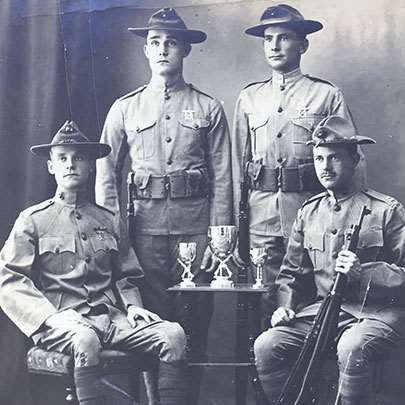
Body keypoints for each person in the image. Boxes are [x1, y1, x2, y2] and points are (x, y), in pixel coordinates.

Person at [95, 7, 233, 403]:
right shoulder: (126, 108)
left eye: (171, 42)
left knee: (194, 324)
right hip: (144, 234)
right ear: (145, 51)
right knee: (151, 323)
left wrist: (218, 238)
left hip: (196, 230)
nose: (162, 49)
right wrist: (114, 238)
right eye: (154, 43)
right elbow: (106, 176)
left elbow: (223, 176)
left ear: (185, 50)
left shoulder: (208, 108)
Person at [0, 120, 188, 405]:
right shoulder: (33, 220)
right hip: (63, 323)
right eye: (62, 158)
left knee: (173, 335)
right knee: (86, 340)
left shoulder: (108, 219)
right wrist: (49, 316)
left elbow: (125, 275)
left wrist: (133, 306)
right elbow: (9, 278)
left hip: (112, 319)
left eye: (79, 158)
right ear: (51, 167)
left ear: (90, 166)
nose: (70, 164)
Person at [253, 115, 405, 405]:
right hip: (323, 313)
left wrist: (365, 272)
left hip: (377, 313)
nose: (325, 167)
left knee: (352, 345)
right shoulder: (309, 212)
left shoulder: (386, 210)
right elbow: (290, 274)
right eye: (319, 158)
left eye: (334, 158)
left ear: (354, 159)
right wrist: (285, 308)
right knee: (267, 344)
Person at [231, 4, 364, 319]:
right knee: (263, 298)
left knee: (311, 294)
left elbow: (351, 162)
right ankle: (262, 369)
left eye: (284, 37)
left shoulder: (325, 95)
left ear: (303, 45)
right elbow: (237, 166)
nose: (275, 45)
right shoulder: (249, 98)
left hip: (312, 212)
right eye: (268, 39)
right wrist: (238, 226)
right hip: (260, 214)